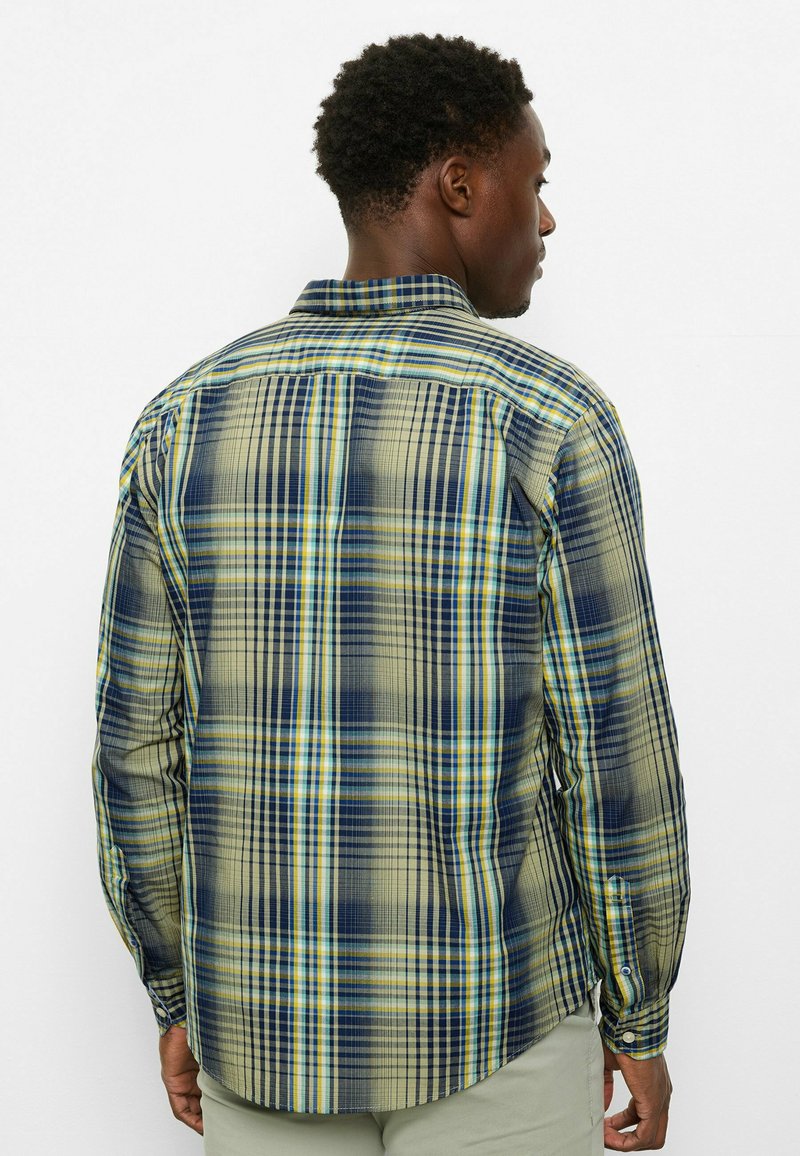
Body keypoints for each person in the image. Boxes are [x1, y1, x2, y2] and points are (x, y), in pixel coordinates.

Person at [91, 32, 689, 1156]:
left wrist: (176, 993)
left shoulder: (182, 420)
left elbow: (135, 750)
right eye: (534, 182)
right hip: (498, 1024)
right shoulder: (550, 421)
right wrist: (640, 1012)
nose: (547, 218)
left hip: (256, 1031)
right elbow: (615, 757)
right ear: (459, 186)